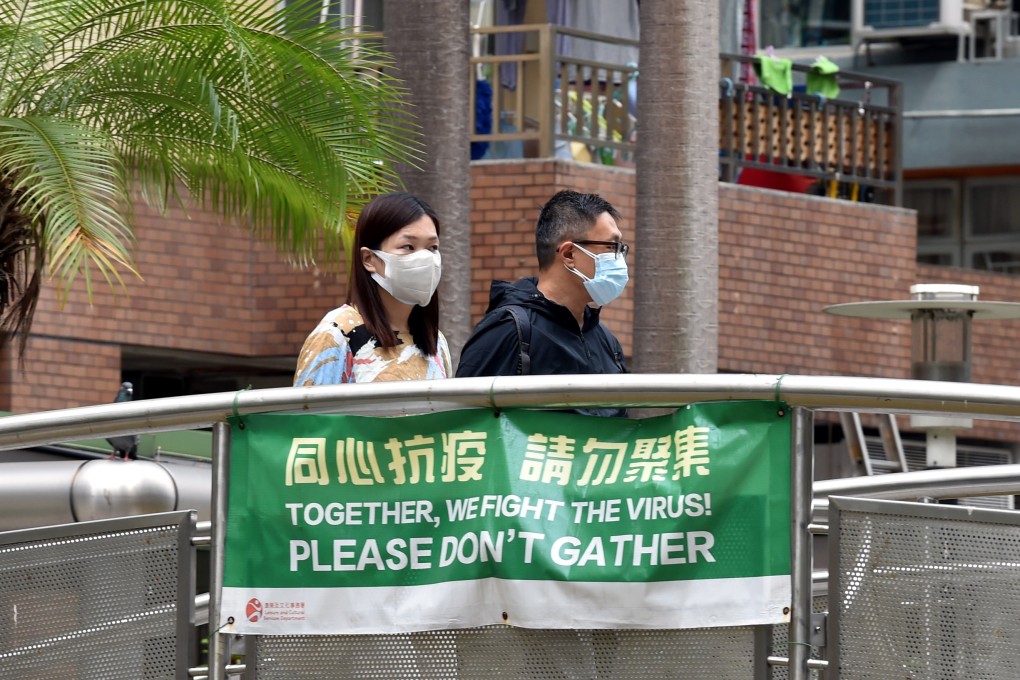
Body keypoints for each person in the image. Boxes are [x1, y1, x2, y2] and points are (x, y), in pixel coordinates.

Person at [456, 189, 629, 416]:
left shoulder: (605, 339)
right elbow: (465, 421)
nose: (619, 258)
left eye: (621, 249)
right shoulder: (509, 329)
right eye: (611, 247)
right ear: (569, 254)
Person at [293, 192, 452, 386]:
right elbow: (309, 405)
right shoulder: (338, 334)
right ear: (369, 259)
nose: (425, 258)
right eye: (408, 246)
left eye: (432, 248)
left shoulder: (436, 341)